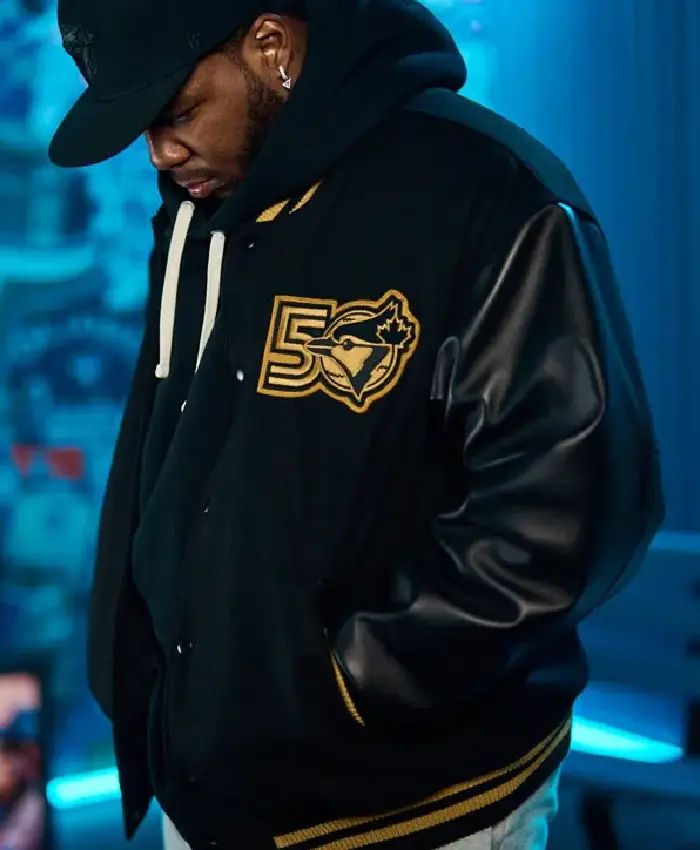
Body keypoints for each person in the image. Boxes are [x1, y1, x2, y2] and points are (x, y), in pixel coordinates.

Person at [49, 0, 664, 848]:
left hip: (410, 811)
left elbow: (570, 514)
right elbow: (181, 463)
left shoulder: (488, 194)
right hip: (210, 798)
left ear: (271, 45)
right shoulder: (207, 198)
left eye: (177, 111)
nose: (160, 151)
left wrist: (349, 682)